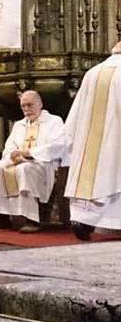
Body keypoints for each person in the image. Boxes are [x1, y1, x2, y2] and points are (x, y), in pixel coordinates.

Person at [0, 91, 66, 233]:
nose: (26, 110)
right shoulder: (19, 125)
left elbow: (58, 146)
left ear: (40, 104)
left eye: (30, 105)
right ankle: (1, 216)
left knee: (25, 169)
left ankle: (32, 219)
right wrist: (14, 155)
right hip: (20, 162)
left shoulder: (54, 121)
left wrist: (29, 153)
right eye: (23, 106)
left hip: (43, 163)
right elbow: (9, 147)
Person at [63, 41, 121, 240]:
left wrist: (71, 139)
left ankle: (83, 220)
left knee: (93, 174)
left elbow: (76, 112)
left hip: (90, 143)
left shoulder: (93, 72)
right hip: (116, 140)